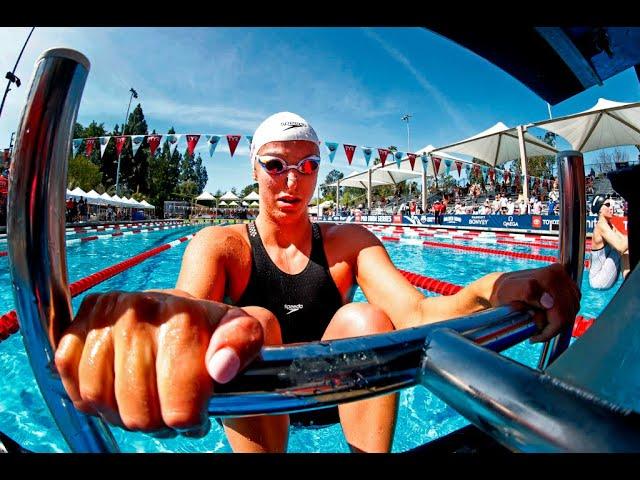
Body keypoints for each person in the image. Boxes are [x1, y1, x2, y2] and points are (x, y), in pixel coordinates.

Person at [54, 112, 580, 453]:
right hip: (258, 407)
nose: (291, 181)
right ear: (255, 169)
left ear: (318, 170)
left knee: (365, 318)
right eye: (276, 165)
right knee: (253, 323)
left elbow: (415, 315)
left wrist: (493, 285)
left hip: (347, 394)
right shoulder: (221, 243)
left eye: (306, 167)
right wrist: (145, 320)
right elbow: (185, 302)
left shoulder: (350, 240)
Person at [588, 195, 630, 290]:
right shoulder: (601, 225)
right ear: (600, 210)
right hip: (598, 281)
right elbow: (621, 247)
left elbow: (623, 239)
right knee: (620, 249)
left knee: (623, 247)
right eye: (607, 205)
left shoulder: (609, 226)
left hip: (600, 277)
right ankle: (629, 279)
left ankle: (629, 278)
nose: (611, 207)